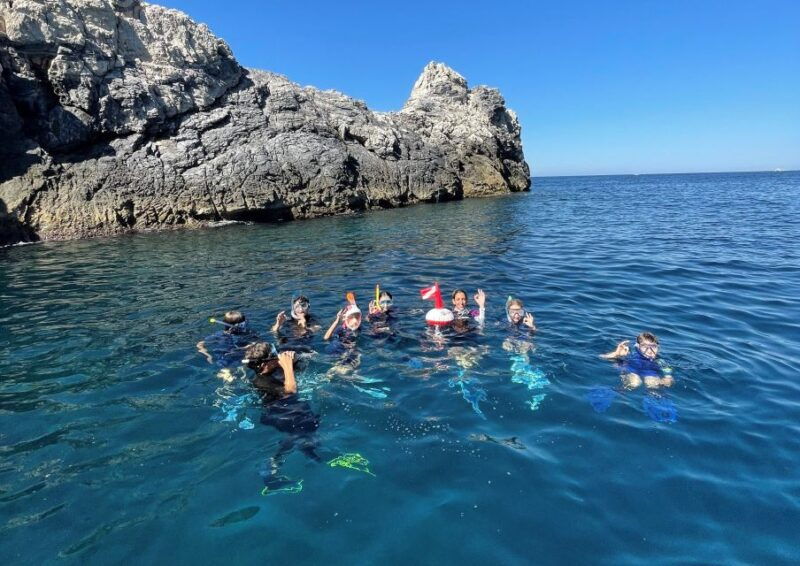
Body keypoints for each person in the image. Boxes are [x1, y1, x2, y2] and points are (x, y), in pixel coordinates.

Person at [243, 342, 321, 494]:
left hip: (288, 411)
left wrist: (299, 359)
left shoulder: (272, 371)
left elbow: (300, 367)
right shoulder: (261, 381)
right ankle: (269, 471)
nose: (278, 356)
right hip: (281, 415)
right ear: (265, 364)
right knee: (302, 433)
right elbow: (290, 391)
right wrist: (287, 367)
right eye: (275, 355)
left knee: (305, 434)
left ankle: (307, 454)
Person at [600, 332, 674, 389]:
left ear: (658, 348)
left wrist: (668, 378)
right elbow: (602, 357)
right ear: (638, 347)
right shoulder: (630, 354)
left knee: (653, 384)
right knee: (634, 383)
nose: (649, 351)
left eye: (653, 347)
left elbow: (667, 369)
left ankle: (656, 398)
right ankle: (619, 391)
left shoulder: (660, 361)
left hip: (650, 373)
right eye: (644, 347)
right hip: (631, 370)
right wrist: (616, 354)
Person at [196, 310, 256, 381]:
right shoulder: (220, 335)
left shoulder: (248, 333)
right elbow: (200, 344)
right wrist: (208, 355)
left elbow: (199, 344)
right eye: (242, 324)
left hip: (233, 359)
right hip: (225, 359)